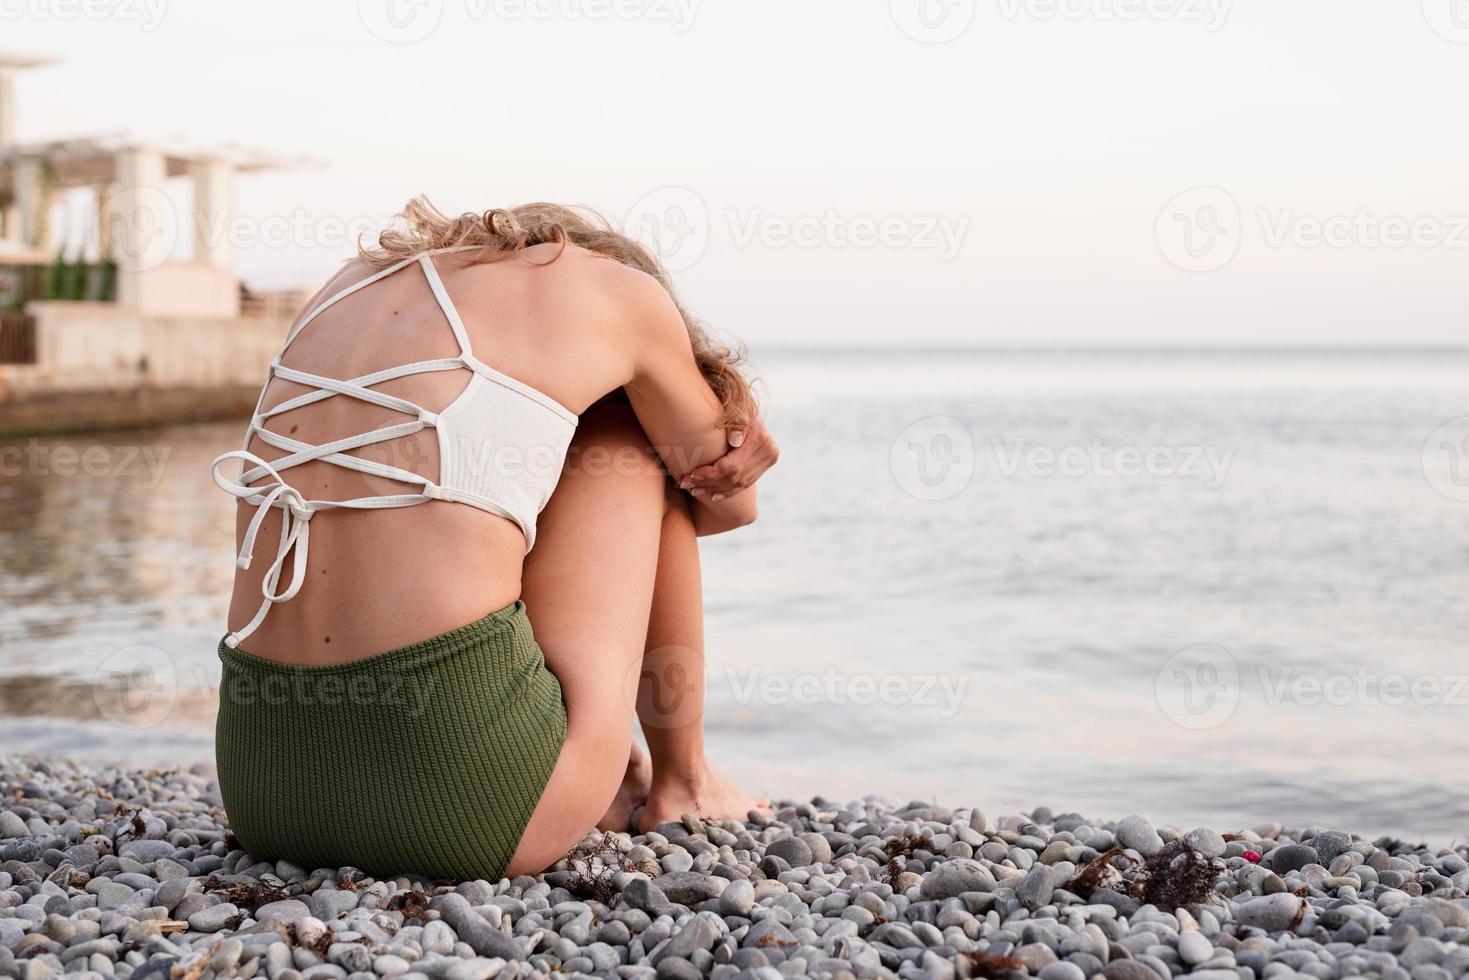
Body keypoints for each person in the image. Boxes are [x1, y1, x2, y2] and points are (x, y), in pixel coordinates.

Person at [210, 199, 779, 881]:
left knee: (485, 497)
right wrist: (730, 410)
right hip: (474, 811)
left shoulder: (351, 282)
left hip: (264, 792)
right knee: (630, 444)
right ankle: (684, 784)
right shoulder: (621, 294)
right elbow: (725, 499)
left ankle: (565, 740)